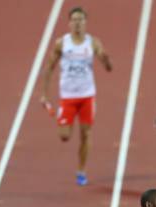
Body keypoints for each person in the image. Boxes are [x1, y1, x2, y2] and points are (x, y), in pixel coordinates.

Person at [40, 6, 112, 186]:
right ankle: (63, 117)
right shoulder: (62, 43)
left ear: (85, 22)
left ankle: (81, 170)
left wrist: (105, 58)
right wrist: (44, 94)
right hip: (68, 96)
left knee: (86, 133)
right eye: (74, 20)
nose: (78, 23)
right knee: (64, 136)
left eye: (81, 19)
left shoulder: (93, 43)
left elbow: (109, 68)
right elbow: (49, 68)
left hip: (87, 95)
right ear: (69, 23)